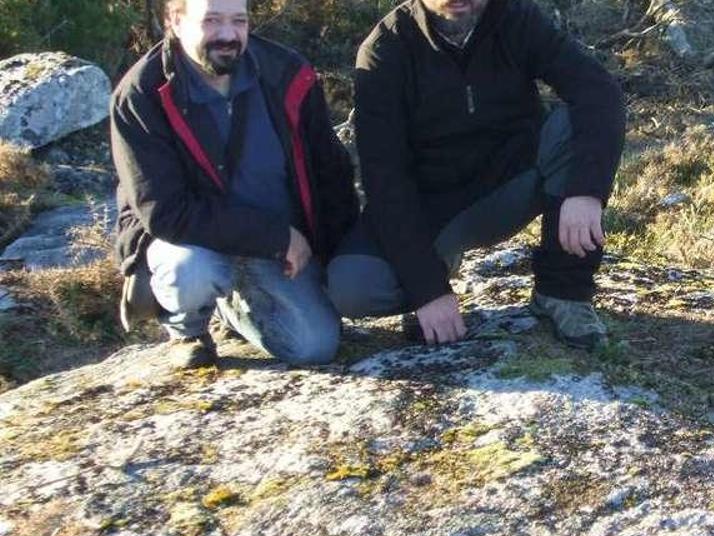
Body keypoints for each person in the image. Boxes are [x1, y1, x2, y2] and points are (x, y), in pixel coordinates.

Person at [327, 0, 625, 350]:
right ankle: (433, 279)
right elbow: (386, 182)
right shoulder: (384, 50)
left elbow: (598, 90)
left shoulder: (517, 19)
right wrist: (427, 289)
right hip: (434, 211)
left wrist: (586, 190)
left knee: (575, 125)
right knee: (352, 288)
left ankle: (563, 294)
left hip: (514, 183)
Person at [112, 0, 358, 367]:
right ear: (175, 22)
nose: (227, 35)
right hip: (194, 242)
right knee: (190, 271)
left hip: (276, 250)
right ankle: (187, 326)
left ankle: (232, 307)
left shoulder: (286, 75)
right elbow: (164, 211)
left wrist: (333, 256)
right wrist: (276, 236)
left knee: (315, 346)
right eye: (211, 21)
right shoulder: (142, 95)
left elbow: (330, 173)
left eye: (237, 21)